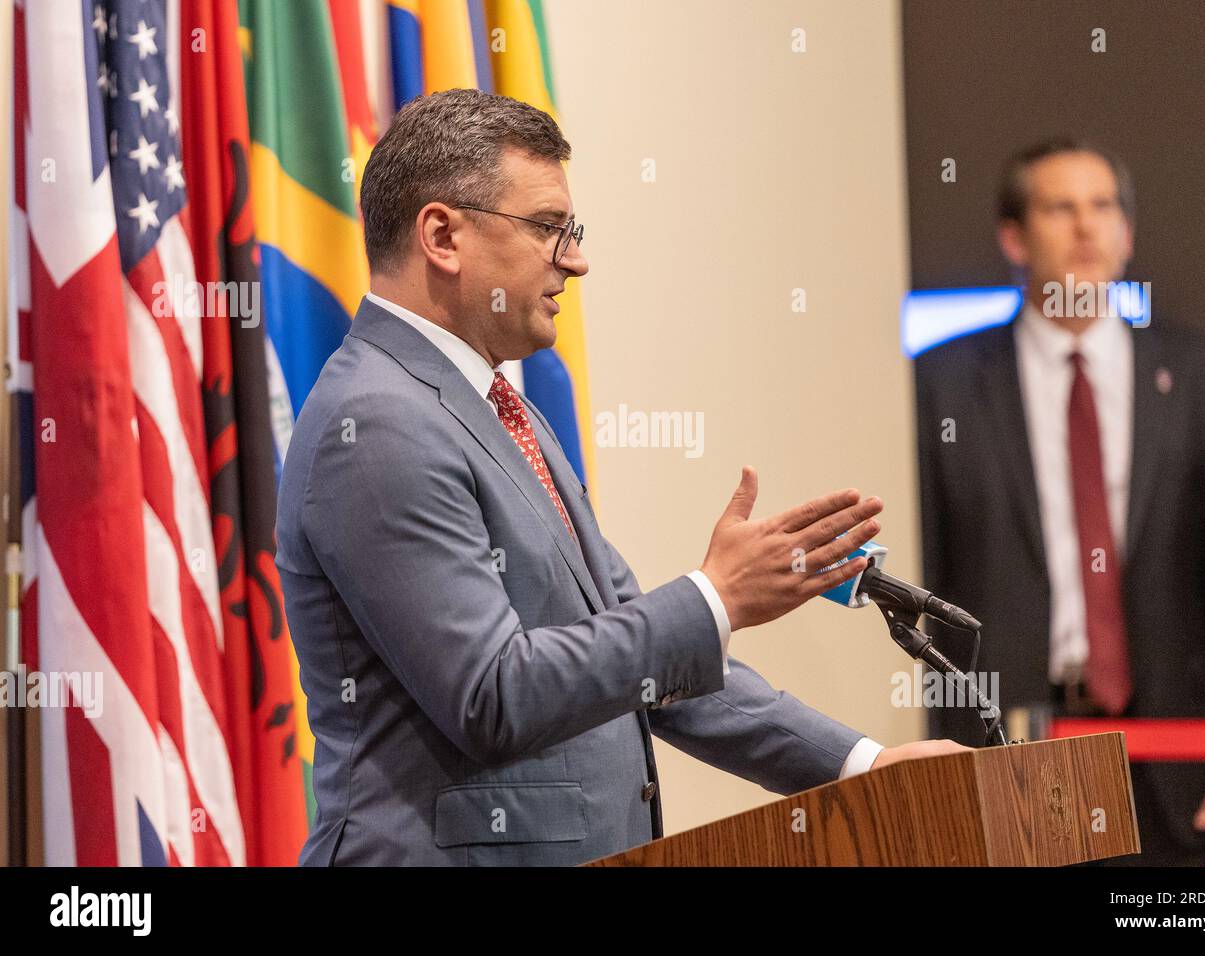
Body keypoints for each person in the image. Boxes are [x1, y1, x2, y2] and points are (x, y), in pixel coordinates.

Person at [276, 88, 965, 866]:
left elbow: (646, 664)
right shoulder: (376, 425)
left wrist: (860, 765)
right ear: (442, 235)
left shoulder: (507, 411)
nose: (575, 258)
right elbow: (493, 695)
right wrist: (715, 599)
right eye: (546, 228)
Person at [914, 137, 1205, 865]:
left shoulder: (1202, 375)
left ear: (1128, 233)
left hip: (1175, 758)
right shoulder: (942, 385)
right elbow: (926, 577)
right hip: (1009, 750)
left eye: (1103, 206)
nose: (1086, 227)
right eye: (1060, 208)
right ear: (1014, 238)